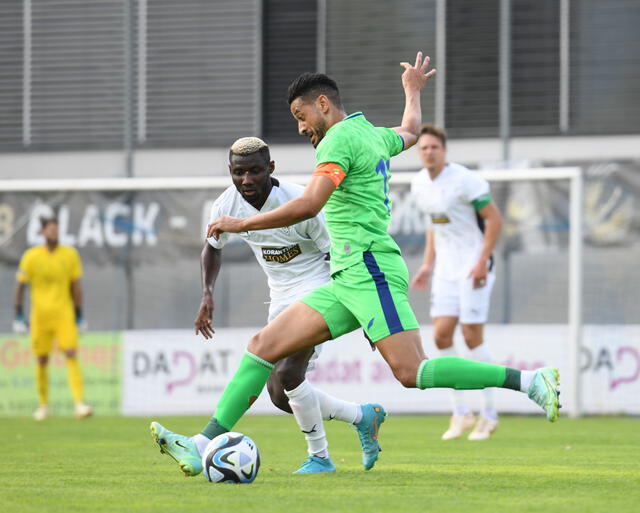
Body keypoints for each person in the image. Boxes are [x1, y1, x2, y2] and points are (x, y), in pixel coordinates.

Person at [150, 52, 559, 478]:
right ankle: (200, 445)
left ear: (322, 103)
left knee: (411, 371)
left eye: (301, 114)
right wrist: (412, 91)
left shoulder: (338, 140)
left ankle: (530, 381)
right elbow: (411, 132)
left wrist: (242, 223)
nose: (301, 126)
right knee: (262, 348)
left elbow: (309, 206)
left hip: (371, 269)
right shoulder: (370, 133)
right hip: (346, 277)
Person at [192, 135, 385, 474]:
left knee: (288, 372)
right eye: (238, 173)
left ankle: (321, 458)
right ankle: (361, 416)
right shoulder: (225, 204)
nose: (246, 180)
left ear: (271, 168)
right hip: (280, 296)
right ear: (230, 171)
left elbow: (336, 255)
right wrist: (207, 293)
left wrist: (364, 309)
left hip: (319, 288)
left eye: (254, 171)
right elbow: (212, 246)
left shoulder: (301, 202)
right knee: (280, 394)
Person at [410, 124, 503, 441]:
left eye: (434, 147)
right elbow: (435, 226)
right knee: (441, 335)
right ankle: (461, 412)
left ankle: (489, 415)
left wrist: (481, 262)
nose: (429, 152)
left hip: (473, 265)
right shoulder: (419, 184)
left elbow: (494, 219)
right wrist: (427, 264)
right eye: (423, 148)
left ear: (444, 150)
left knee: (472, 336)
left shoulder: (465, 180)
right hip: (446, 269)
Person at [14, 216, 92, 421]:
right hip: (39, 316)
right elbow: (20, 286)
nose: (54, 233)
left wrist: (80, 315)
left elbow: (76, 286)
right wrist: (18, 314)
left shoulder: (70, 254)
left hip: (64, 313)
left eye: (56, 229)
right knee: (41, 359)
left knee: (71, 353)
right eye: (50, 229)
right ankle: (43, 405)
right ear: (42, 232)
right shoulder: (31, 256)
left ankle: (79, 404)